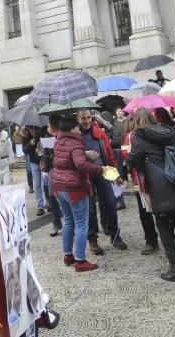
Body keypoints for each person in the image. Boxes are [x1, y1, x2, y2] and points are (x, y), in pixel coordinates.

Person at [128, 107, 175, 282]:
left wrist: (130, 159)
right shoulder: (168, 131)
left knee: (162, 224)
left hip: (159, 186)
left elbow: (133, 160)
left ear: (137, 121)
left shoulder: (139, 136)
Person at [50, 111, 106, 272]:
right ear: (73, 129)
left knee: (68, 221)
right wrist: (100, 168)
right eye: (77, 128)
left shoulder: (59, 141)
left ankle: (68, 256)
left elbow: (66, 160)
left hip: (59, 186)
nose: (80, 130)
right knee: (81, 224)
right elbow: (81, 165)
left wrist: (83, 154)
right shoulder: (76, 143)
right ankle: (80, 261)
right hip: (74, 187)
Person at [77, 109, 127, 253]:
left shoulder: (100, 133)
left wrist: (115, 174)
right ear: (78, 119)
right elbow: (71, 154)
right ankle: (92, 239)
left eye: (88, 117)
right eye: (83, 118)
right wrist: (84, 154)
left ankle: (115, 235)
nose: (86, 121)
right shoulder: (75, 135)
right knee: (90, 209)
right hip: (85, 175)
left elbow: (110, 154)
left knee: (111, 204)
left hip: (103, 172)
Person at [122, 113, 160, 255]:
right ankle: (152, 240)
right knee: (147, 210)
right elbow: (126, 155)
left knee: (148, 211)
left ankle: (152, 241)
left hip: (146, 178)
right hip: (142, 179)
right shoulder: (131, 136)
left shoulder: (156, 133)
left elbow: (126, 156)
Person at [23, 126, 47, 216]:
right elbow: (24, 150)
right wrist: (30, 144)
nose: (33, 131)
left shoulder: (43, 135)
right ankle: (40, 206)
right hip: (34, 162)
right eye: (31, 129)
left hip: (44, 161)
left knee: (46, 183)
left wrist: (41, 149)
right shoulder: (27, 138)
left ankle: (49, 203)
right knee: (37, 184)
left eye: (35, 129)